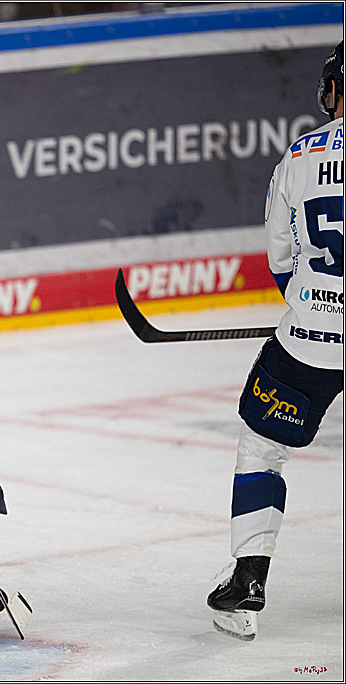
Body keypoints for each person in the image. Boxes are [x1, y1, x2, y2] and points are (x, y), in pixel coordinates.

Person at [206, 41, 344, 641]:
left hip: (310, 337)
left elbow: (283, 262)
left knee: (262, 446)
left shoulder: (298, 156)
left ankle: (248, 583)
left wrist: (317, 303)